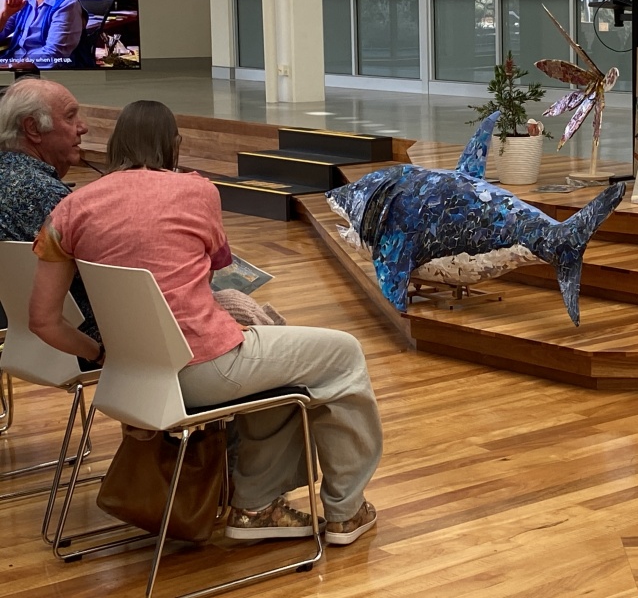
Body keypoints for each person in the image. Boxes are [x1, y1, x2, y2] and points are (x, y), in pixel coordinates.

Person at [28, 100, 382, 545]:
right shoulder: (197, 191)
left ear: (116, 146)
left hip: (129, 377)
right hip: (203, 368)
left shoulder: (70, 209)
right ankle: (345, 513)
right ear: (173, 147)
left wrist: (103, 355)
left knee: (278, 369)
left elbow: (42, 320)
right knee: (343, 353)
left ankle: (255, 507)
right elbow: (218, 267)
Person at [0, 78, 99, 356]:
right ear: (33, 128)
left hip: (20, 341)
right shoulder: (48, 198)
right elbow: (112, 271)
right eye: (70, 116)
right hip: (81, 341)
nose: (83, 127)